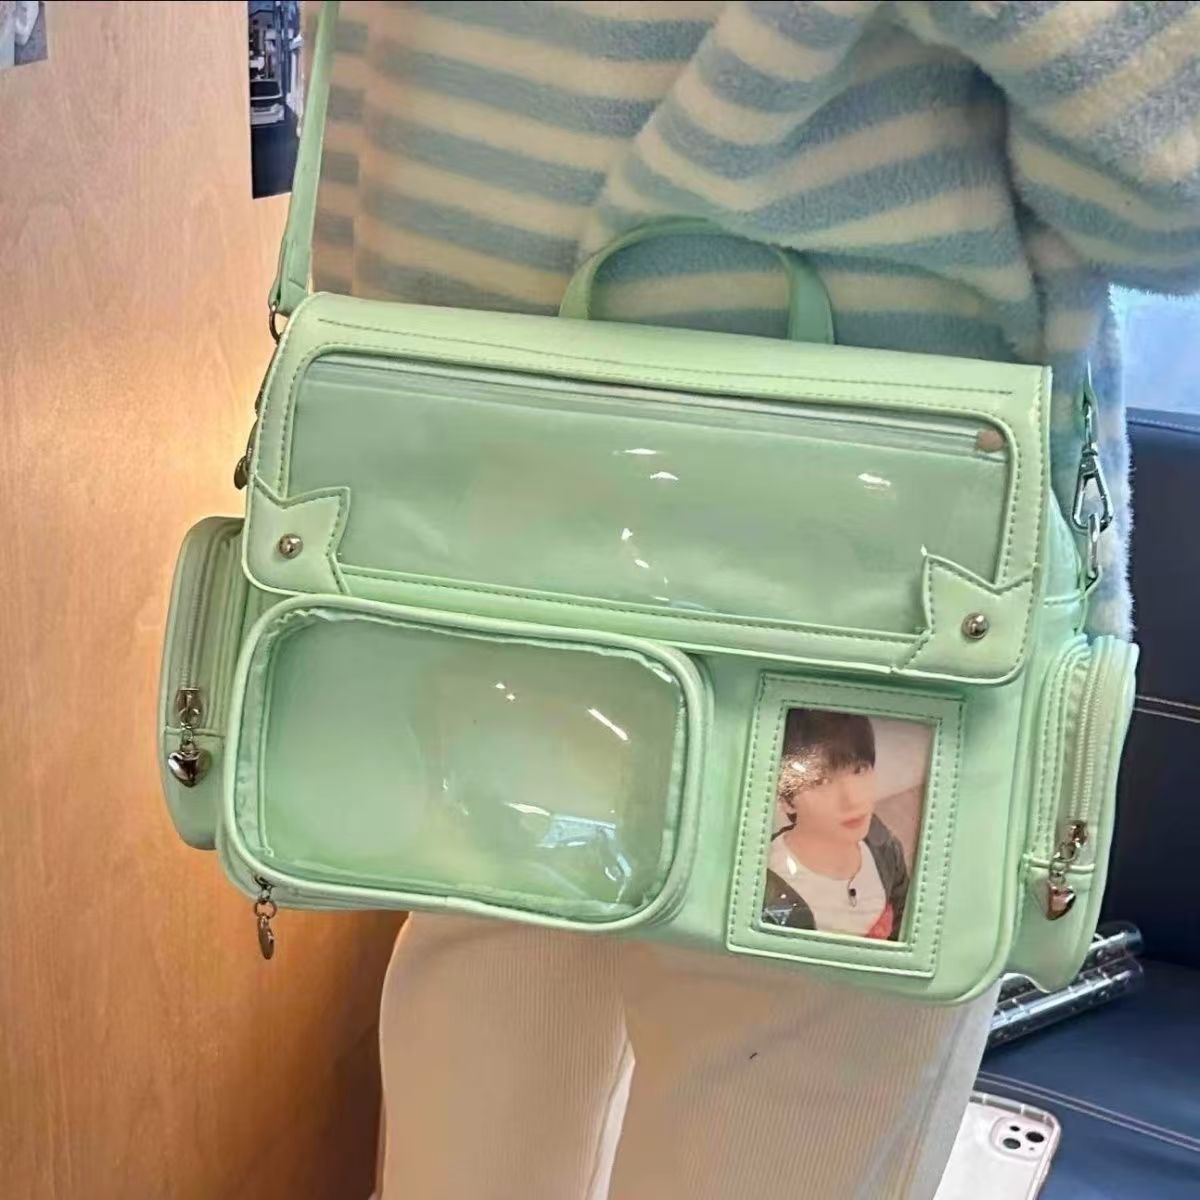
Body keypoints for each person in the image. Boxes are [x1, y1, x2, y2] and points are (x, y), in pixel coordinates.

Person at [307, 4, 1200, 1197]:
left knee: (487, 1087)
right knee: (798, 1075)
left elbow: (357, 147)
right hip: (865, 598)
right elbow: (1170, 190)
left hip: (487, 544)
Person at [763, 710, 909, 940]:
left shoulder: (881, 841)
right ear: (786, 800)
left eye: (859, 769)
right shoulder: (768, 894)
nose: (853, 799)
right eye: (821, 781)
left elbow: (906, 917)